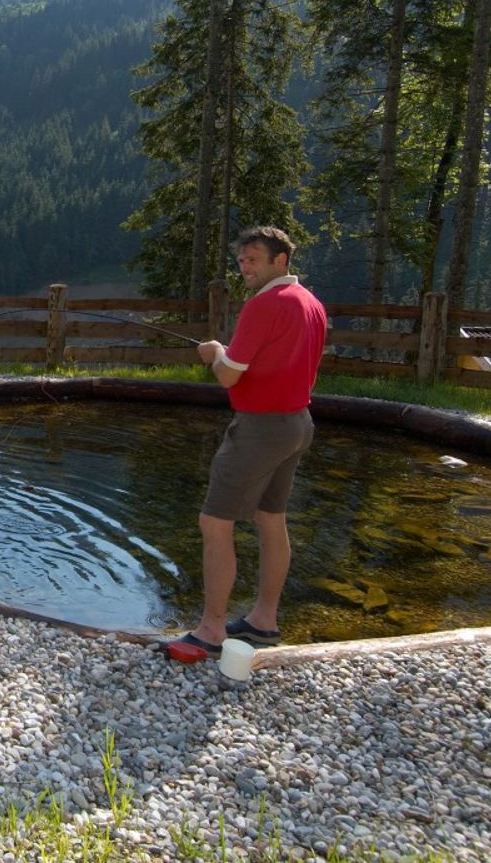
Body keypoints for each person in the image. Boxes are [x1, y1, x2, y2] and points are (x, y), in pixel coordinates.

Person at [173, 226, 326, 661]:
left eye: (254, 259)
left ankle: (211, 630)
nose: (245, 267)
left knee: (214, 523)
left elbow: (228, 375)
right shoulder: (311, 303)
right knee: (271, 518)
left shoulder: (265, 304)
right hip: (298, 423)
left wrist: (215, 353)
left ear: (281, 260)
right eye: (241, 259)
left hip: (260, 428)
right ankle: (264, 620)